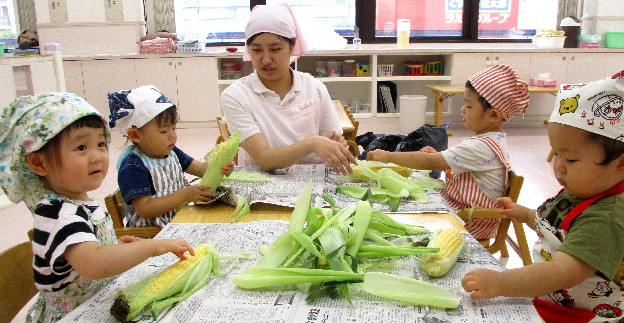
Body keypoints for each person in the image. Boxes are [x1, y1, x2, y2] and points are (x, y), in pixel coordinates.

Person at [0, 93, 197, 323]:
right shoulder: (56, 213)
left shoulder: (79, 201)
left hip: (98, 301)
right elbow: (93, 263)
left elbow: (88, 250)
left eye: (101, 144)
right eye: (81, 147)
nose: (96, 157)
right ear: (39, 163)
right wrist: (152, 246)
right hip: (74, 316)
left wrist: (114, 247)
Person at [462, 71, 624, 323]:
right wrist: (524, 213)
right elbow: (555, 229)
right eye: (555, 153)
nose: (558, 167)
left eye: (570, 159)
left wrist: (501, 282)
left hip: (579, 318)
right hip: (550, 300)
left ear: (621, 165)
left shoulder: (606, 218)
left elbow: (561, 272)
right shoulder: (581, 190)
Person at [367, 64, 530, 240]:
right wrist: (438, 157)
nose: (462, 110)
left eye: (469, 106)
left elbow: (429, 163)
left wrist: (388, 156)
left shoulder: (480, 147)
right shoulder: (491, 140)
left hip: (470, 220)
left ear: (493, 115)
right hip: (465, 209)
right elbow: (465, 170)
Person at [220, 2, 356, 176]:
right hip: (262, 188)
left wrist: (337, 145)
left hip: (314, 184)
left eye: (275, 49)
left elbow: (332, 140)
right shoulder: (236, 96)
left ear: (292, 47)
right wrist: (313, 143)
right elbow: (264, 159)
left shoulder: (314, 88)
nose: (266, 59)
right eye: (256, 50)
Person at [109, 85, 235, 228]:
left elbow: (200, 169)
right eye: (163, 131)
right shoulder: (133, 166)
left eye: (174, 128)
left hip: (178, 220)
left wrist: (220, 166)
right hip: (154, 235)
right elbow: (145, 209)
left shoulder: (171, 152)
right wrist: (184, 195)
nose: (172, 136)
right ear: (135, 135)